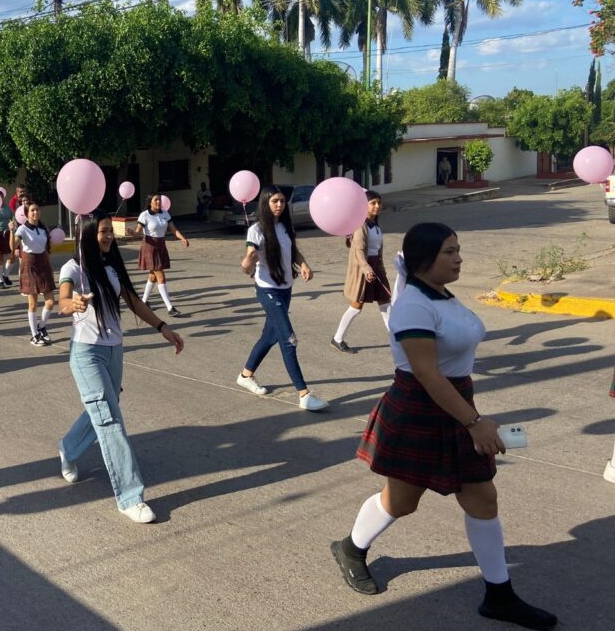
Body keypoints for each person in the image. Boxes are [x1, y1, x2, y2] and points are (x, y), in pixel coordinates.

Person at [330, 222, 557, 630]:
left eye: (458, 249)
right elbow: (427, 374)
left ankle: (499, 596)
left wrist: (470, 416)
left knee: (483, 499)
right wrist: (474, 422)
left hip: (454, 406)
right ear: (424, 260)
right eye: (450, 251)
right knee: (402, 502)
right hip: (419, 409)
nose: (459, 258)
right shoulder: (414, 305)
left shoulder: (441, 295)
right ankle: (350, 547)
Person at [57, 210, 184, 524]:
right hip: (86, 353)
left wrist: (162, 327)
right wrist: (72, 304)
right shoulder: (73, 268)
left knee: (102, 408)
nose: (108, 237)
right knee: (110, 418)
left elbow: (134, 301)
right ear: (88, 234)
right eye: (102, 232)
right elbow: (62, 299)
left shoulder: (112, 267)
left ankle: (69, 448)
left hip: (114, 351)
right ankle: (130, 496)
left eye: (109, 232)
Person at [236, 187, 328, 411]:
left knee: (270, 336)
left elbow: (292, 250)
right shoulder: (256, 230)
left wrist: (303, 263)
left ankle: (245, 375)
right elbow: (247, 261)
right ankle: (304, 395)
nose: (279, 205)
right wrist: (248, 262)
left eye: (282, 201)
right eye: (275, 201)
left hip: (286, 288)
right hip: (268, 289)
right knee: (289, 340)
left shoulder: (285, 226)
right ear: (266, 203)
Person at [332, 190, 392, 353]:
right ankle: (337, 338)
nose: (377, 206)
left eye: (379, 202)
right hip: (364, 270)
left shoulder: (376, 226)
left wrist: (380, 268)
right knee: (356, 306)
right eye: (372, 203)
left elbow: (377, 250)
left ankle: (396, 339)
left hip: (376, 268)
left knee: (385, 302)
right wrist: (366, 269)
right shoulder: (360, 226)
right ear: (363, 206)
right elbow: (358, 251)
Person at [9, 202, 56, 346]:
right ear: (27, 214)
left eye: (37, 210)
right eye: (32, 210)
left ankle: (41, 326)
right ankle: (34, 335)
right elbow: (13, 246)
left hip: (43, 263)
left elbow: (46, 250)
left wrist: (50, 267)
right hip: (29, 263)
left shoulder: (43, 229)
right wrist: (11, 231)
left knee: (50, 301)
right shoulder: (22, 229)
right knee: (33, 303)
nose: (35, 212)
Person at [135, 193, 189, 317]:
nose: (159, 202)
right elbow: (138, 231)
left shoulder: (165, 213)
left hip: (161, 246)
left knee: (153, 276)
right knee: (161, 276)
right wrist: (133, 232)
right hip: (149, 247)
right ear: (150, 202)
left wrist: (182, 238)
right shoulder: (145, 215)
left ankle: (143, 303)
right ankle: (170, 308)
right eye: (156, 200)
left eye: (159, 199)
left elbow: (173, 229)